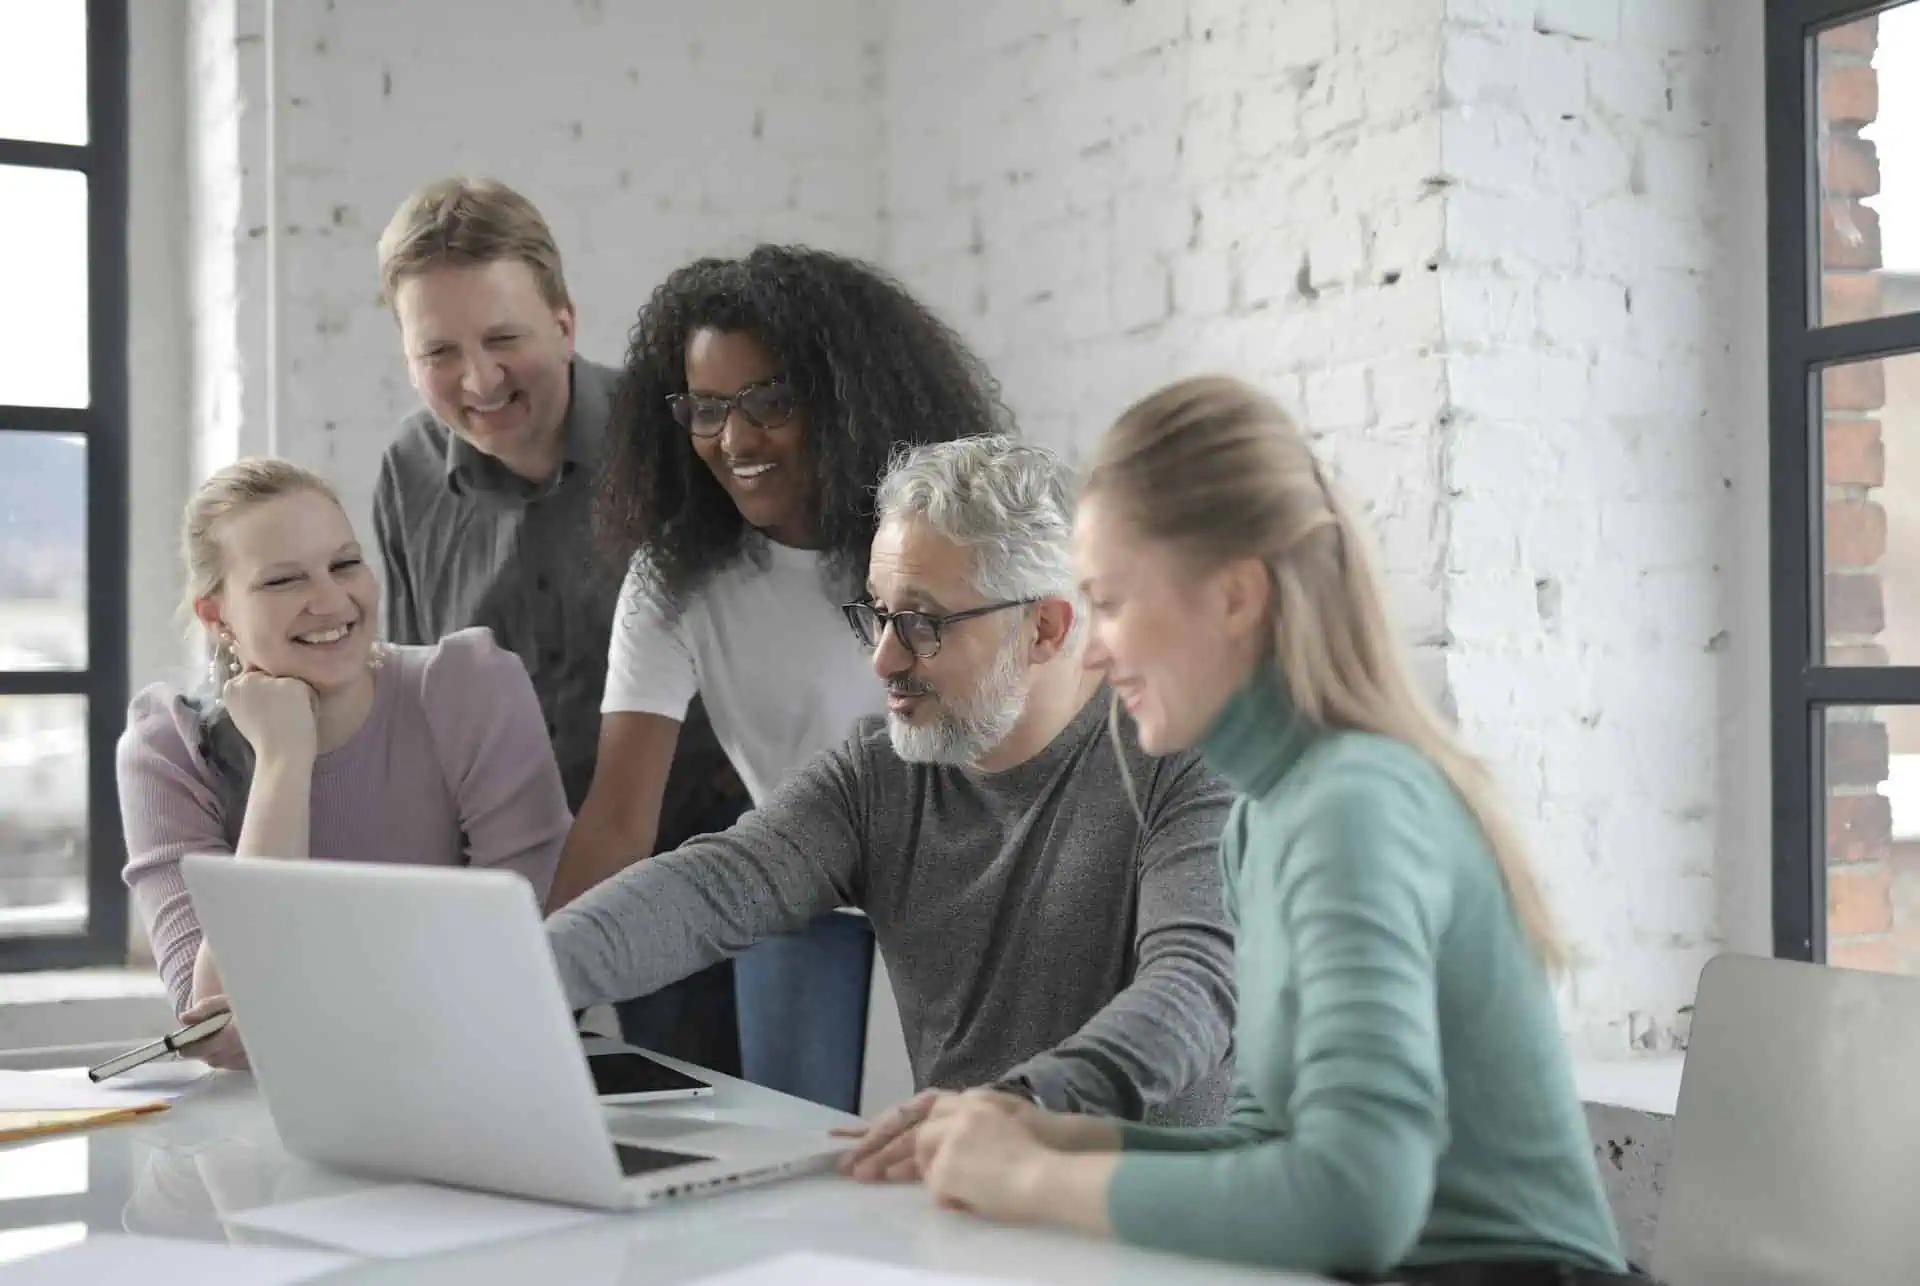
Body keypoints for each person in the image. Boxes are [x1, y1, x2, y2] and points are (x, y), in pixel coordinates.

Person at [903, 378, 1634, 1284]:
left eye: (1113, 602)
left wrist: (1034, 1182)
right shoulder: (1262, 817)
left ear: (1235, 597)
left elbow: (1356, 1205)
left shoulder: (1355, 805)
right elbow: (1270, 1145)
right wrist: (1060, 1138)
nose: (1094, 649)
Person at [547, 437, 1236, 1130]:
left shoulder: (1190, 762)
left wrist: (1024, 1104)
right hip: (964, 1181)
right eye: (879, 614)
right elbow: (712, 888)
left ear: (1044, 629)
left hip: (1147, 1196)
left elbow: (1195, 988)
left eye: (920, 624)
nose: (882, 659)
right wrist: (523, 971)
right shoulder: (879, 775)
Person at [549, 245, 1013, 1111]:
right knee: (801, 1142)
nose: (734, 440)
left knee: (960, 1144)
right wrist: (528, 992)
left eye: (769, 401)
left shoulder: (940, 542)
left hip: (966, 893)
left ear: (845, 399)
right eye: (707, 408)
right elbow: (616, 821)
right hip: (797, 901)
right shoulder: (675, 579)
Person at [368, 176, 744, 1071]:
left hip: (695, 888)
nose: (479, 380)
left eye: (503, 339)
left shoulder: (680, 446)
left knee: (708, 1131)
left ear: (565, 323)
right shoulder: (407, 475)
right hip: (499, 903)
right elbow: (418, 712)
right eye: (439, 352)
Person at [119, 459, 570, 1070]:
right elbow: (218, 1022)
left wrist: (294, 1012)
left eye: (345, 564)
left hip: (472, 1075)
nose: (332, 601)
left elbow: (517, 962)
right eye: (283, 581)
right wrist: (282, 761)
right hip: (262, 1108)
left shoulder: (470, 688)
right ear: (216, 616)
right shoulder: (167, 749)